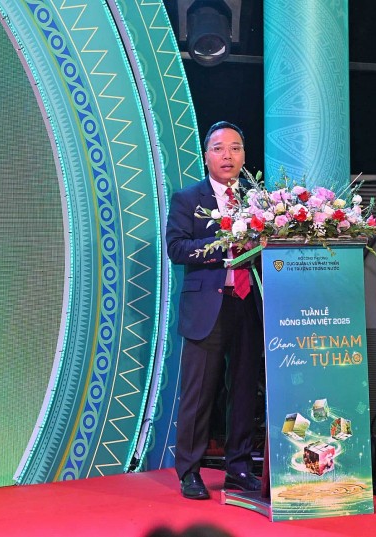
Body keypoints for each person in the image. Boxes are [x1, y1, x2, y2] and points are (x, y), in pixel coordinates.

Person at [165, 121, 264, 500]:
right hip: (208, 306)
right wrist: (224, 242)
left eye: (235, 148)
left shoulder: (260, 201)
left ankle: (239, 468)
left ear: (244, 155)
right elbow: (176, 248)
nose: (228, 156)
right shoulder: (188, 198)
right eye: (219, 148)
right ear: (206, 155)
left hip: (248, 304)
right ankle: (189, 471)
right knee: (199, 393)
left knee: (244, 390)